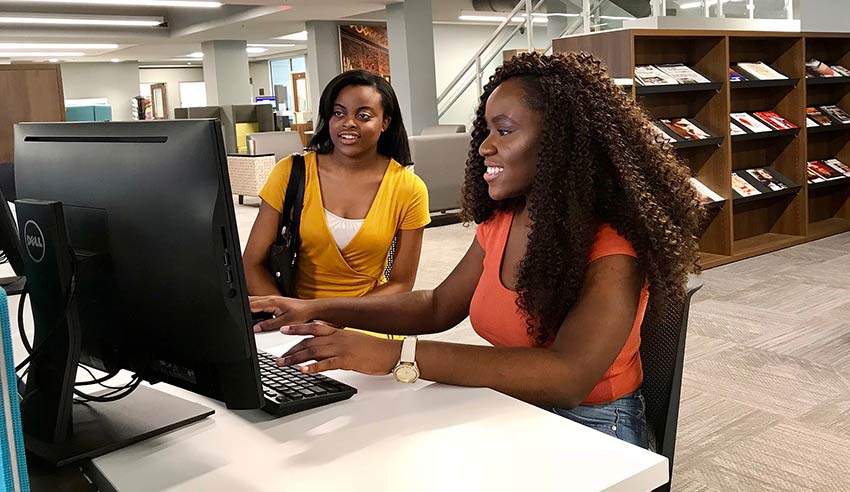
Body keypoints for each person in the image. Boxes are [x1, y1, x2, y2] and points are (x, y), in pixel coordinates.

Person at [251, 52, 701, 447]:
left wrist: (396, 356)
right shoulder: (503, 218)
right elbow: (437, 305)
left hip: (593, 425)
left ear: (560, 142)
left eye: (503, 131)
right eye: (486, 130)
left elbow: (568, 377)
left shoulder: (613, 244)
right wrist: (312, 308)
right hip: (507, 405)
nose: (484, 145)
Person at [242, 70, 431, 337]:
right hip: (296, 323)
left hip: (369, 322)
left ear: (385, 122)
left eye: (363, 116)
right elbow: (251, 262)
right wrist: (290, 317)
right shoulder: (291, 172)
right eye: (338, 113)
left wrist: (337, 320)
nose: (348, 123)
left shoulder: (409, 189)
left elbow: (401, 283)